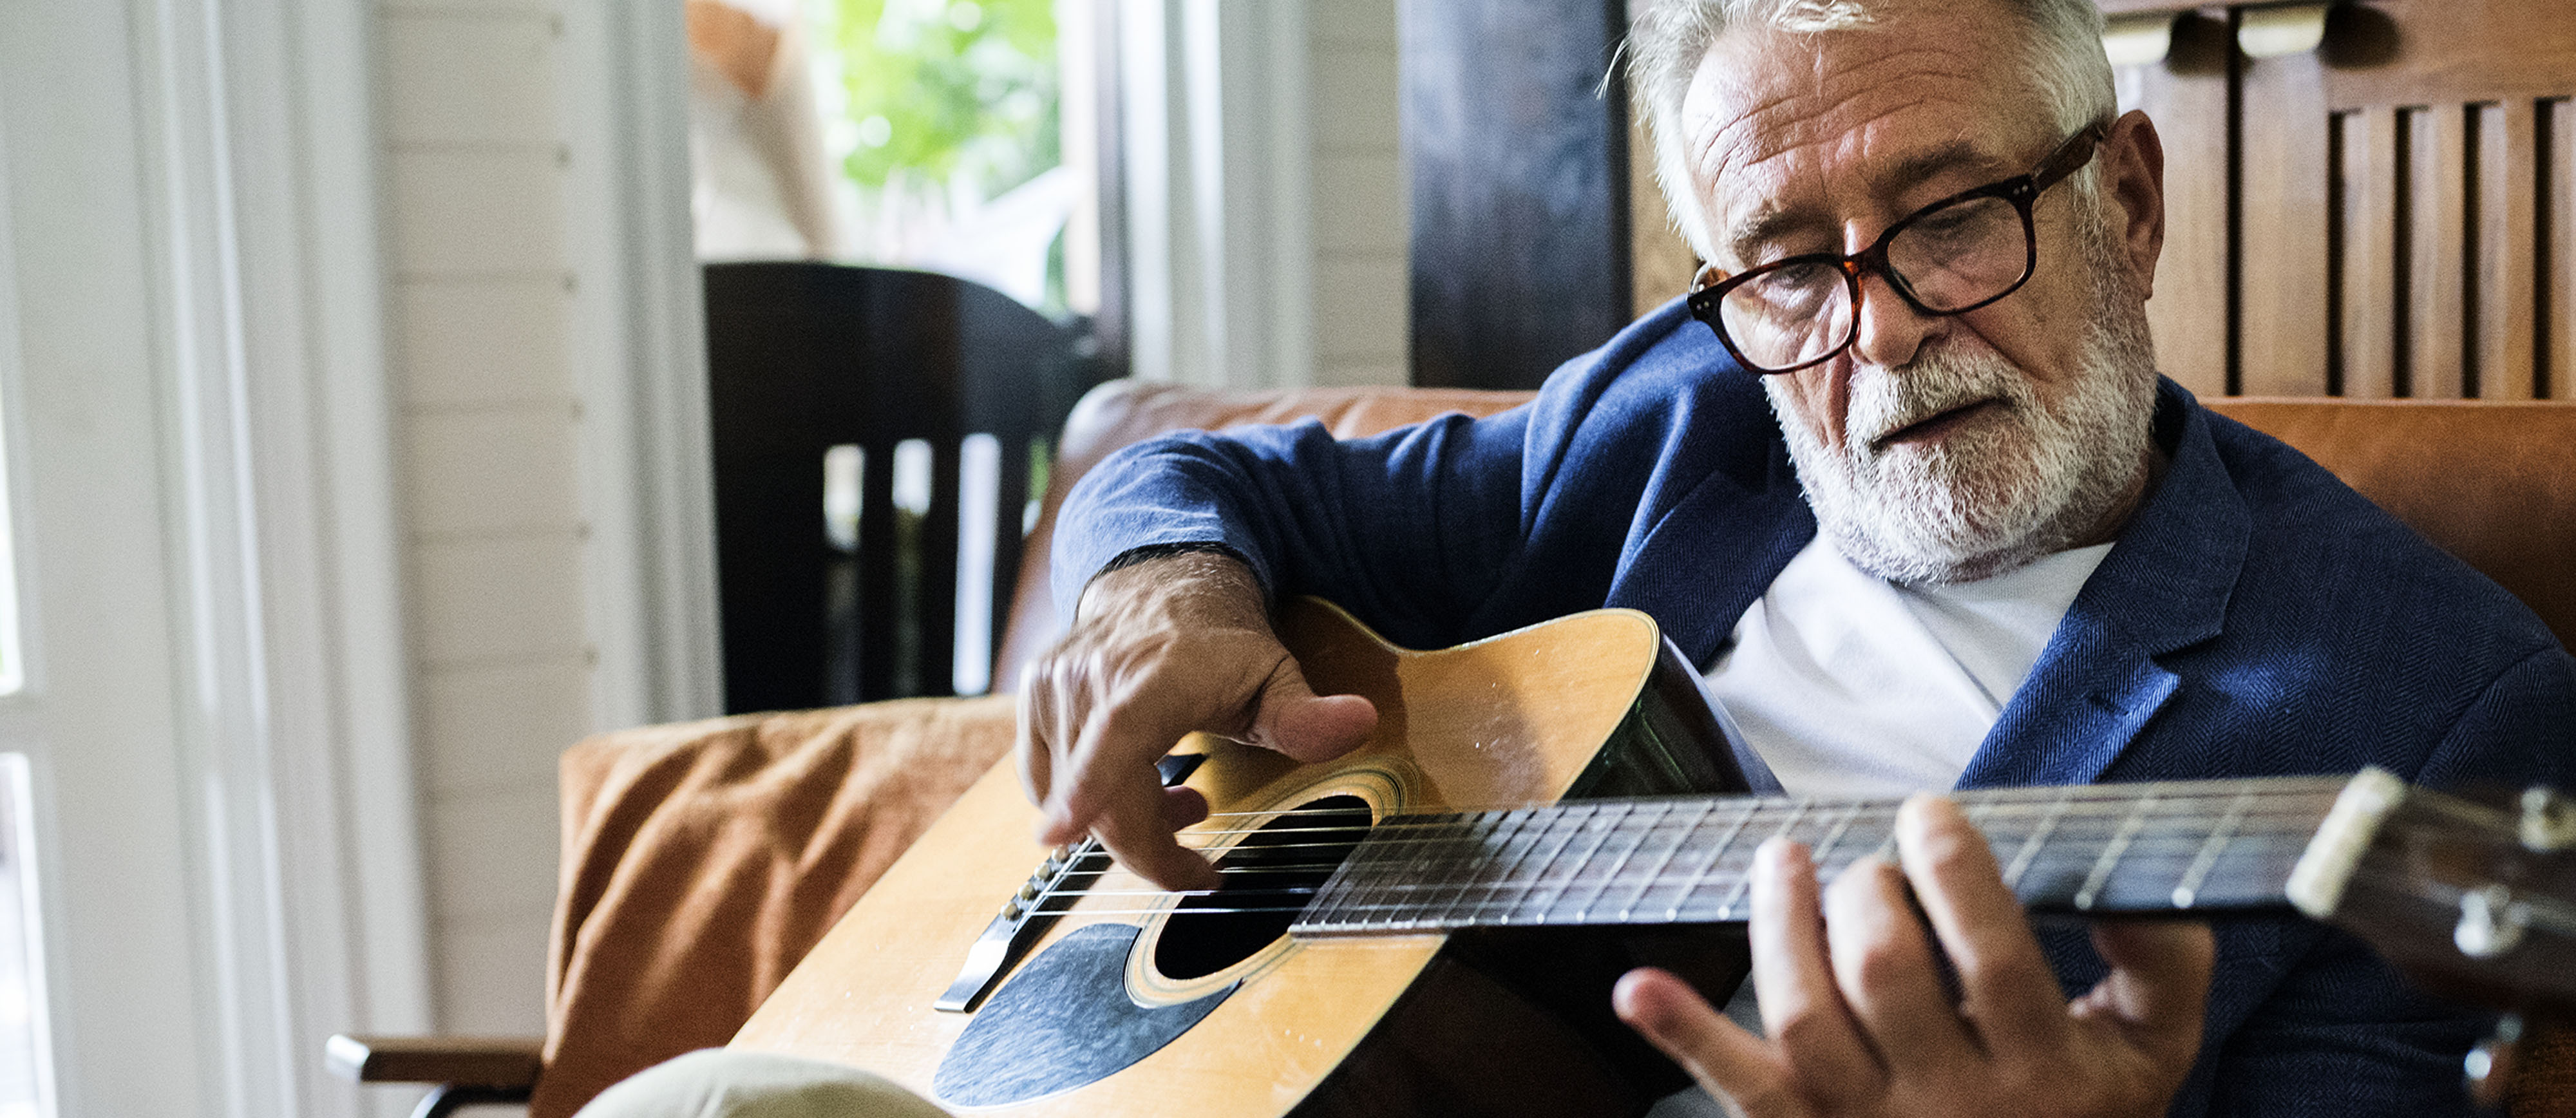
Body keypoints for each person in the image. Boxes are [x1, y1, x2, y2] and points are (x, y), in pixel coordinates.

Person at [578, 0, 2576, 1115]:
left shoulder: (2428, 706)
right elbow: (1211, 481)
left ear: (2127, 200)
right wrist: (1151, 589)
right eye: (1787, 264)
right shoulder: (1675, 420)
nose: (1874, 331)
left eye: (1954, 215)